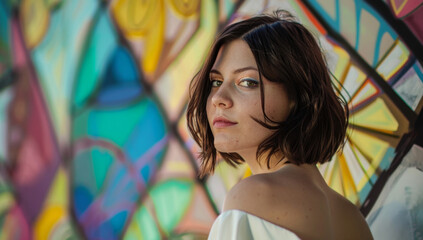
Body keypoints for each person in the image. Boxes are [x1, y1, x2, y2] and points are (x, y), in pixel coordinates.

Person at [186, 10, 373, 240]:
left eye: (247, 82)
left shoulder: (252, 196)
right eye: (216, 82)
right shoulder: (353, 219)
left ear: (297, 96)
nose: (218, 98)